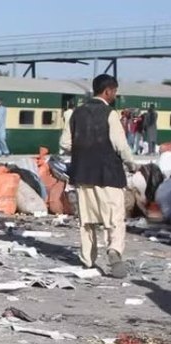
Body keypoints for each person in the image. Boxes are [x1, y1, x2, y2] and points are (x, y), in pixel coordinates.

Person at [58, 74, 137, 279]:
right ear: (108, 91)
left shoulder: (75, 113)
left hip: (82, 174)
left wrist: (82, 149)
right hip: (109, 174)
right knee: (115, 218)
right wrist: (132, 163)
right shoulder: (110, 114)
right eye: (115, 92)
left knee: (87, 221)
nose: (115, 95)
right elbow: (120, 145)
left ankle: (88, 260)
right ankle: (114, 251)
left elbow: (65, 144)